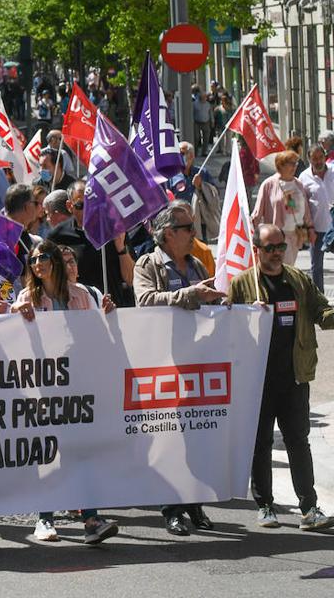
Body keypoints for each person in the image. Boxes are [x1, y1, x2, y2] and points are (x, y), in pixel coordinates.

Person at [229, 223, 334, 531]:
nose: (276, 254)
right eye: (270, 248)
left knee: (298, 443)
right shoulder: (243, 283)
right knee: (260, 443)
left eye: (280, 247)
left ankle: (310, 507)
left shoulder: (298, 280)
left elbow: (321, 312)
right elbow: (227, 326)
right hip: (257, 381)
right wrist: (247, 311)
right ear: (257, 250)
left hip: (295, 378)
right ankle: (265, 505)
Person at [13, 241, 119, 545]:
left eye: (43, 257)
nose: (37, 263)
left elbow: (97, 335)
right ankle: (44, 519)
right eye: (32, 259)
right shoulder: (27, 297)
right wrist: (14, 312)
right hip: (43, 385)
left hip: (78, 383)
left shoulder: (81, 296)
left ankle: (91, 519)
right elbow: (10, 334)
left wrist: (106, 314)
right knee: (49, 451)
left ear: (56, 261)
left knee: (81, 450)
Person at [132, 202, 226, 537]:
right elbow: (144, 301)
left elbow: (209, 301)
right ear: (169, 233)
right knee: (170, 439)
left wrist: (222, 302)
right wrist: (190, 294)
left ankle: (195, 504)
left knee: (196, 437)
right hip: (163, 365)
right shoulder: (148, 263)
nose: (194, 235)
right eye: (189, 229)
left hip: (197, 363)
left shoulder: (198, 264)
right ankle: (171, 509)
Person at [49, 180, 133, 306]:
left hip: (117, 308)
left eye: (92, 204)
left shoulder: (113, 229)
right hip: (79, 309)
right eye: (80, 205)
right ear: (69, 206)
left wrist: (121, 248)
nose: (88, 210)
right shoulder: (58, 236)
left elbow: (131, 279)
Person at [251, 150, 314, 266]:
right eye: (291, 163)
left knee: (288, 267)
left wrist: (310, 228)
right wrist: (255, 237)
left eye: (296, 163)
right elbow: (257, 213)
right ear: (281, 164)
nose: (295, 166)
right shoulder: (268, 184)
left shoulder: (298, 184)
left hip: (294, 236)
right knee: (277, 268)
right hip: (274, 238)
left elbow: (306, 210)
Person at [299, 144, 334, 286]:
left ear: (325, 156)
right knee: (317, 267)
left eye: (320, 157)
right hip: (316, 229)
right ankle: (320, 302)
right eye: (314, 159)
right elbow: (301, 204)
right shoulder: (304, 177)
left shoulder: (333, 171)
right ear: (309, 159)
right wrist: (307, 228)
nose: (318, 161)